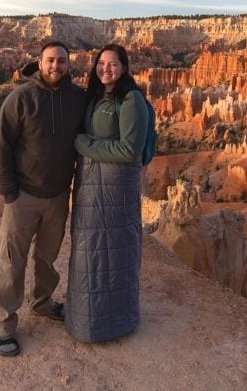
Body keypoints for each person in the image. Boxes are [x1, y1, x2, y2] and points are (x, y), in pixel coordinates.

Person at [0, 40, 87, 357]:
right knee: (11, 261)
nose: (55, 66)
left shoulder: (78, 99)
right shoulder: (21, 97)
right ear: (40, 63)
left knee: (46, 257)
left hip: (58, 196)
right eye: (50, 61)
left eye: (61, 61)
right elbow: (0, 145)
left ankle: (43, 303)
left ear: (68, 64)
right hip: (23, 197)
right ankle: (4, 326)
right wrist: (9, 191)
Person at [65, 43, 149, 343]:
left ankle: (117, 321)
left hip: (117, 188)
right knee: (89, 251)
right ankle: (85, 319)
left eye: (113, 64)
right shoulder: (96, 95)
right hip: (90, 187)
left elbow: (129, 150)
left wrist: (82, 144)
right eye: (101, 63)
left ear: (124, 68)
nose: (107, 69)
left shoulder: (131, 99)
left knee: (116, 249)